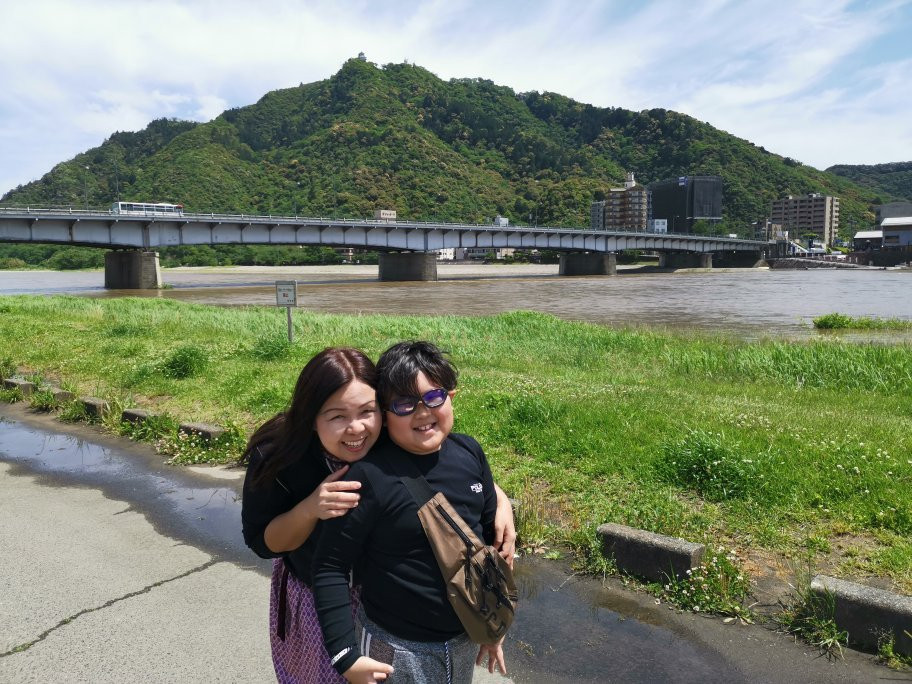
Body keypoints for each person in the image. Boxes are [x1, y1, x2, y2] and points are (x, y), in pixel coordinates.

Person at [241, 347, 515, 684]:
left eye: (366, 411)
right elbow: (270, 545)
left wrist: (500, 502)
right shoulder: (282, 458)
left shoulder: (397, 431)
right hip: (327, 602)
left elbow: (450, 475)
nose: (356, 428)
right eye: (337, 416)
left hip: (389, 598)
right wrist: (310, 508)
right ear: (311, 418)